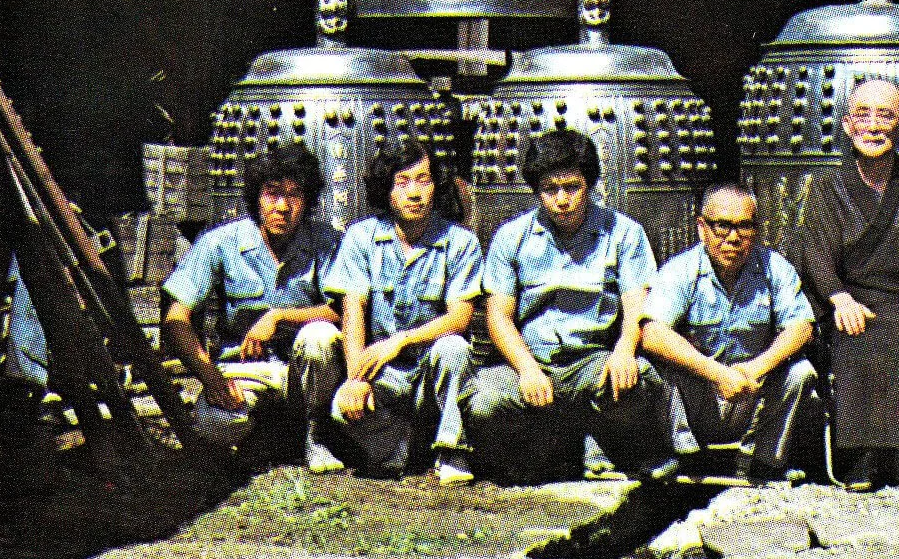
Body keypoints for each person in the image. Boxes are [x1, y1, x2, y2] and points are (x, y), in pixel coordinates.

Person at [467, 128, 677, 483]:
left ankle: (607, 443)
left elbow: (636, 308)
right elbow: (499, 317)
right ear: (537, 191)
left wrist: (624, 352)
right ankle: (548, 451)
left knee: (637, 382)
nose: (562, 200)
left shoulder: (624, 233)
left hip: (593, 360)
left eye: (572, 187)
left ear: (589, 185)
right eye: (550, 189)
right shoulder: (511, 237)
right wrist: (527, 369)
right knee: (484, 402)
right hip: (533, 360)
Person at [800, 78, 899, 493]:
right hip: (855, 299)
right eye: (863, 115)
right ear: (846, 125)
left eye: (885, 116)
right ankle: (864, 454)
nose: (873, 126)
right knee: (857, 331)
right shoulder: (827, 186)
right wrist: (839, 298)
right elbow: (815, 250)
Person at [158, 143, 345, 470]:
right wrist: (210, 377)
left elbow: (343, 311)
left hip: (305, 373)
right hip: (246, 369)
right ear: (256, 197)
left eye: (294, 195)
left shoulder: (326, 241)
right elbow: (176, 317)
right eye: (273, 194)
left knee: (320, 336)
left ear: (308, 201)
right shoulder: (221, 241)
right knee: (213, 424)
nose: (282, 207)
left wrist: (279, 317)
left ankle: (316, 434)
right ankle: (270, 431)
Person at [641, 180, 820, 483]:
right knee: (651, 367)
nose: (733, 238)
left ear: (756, 230)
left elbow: (802, 327)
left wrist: (754, 368)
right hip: (699, 397)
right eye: (722, 226)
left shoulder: (774, 268)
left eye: (744, 226)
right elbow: (652, 333)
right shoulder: (681, 269)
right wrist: (716, 373)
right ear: (702, 228)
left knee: (800, 372)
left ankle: (764, 462)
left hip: (752, 394)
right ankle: (685, 456)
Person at [324, 141, 481, 484]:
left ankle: (452, 450)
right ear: (387, 189)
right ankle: (404, 443)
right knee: (341, 408)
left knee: (454, 347)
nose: (414, 193)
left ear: (436, 186)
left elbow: (460, 317)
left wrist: (401, 341)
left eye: (423, 180)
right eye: (403, 182)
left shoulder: (461, 241)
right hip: (385, 373)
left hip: (431, 370)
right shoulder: (361, 237)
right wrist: (356, 379)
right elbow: (353, 311)